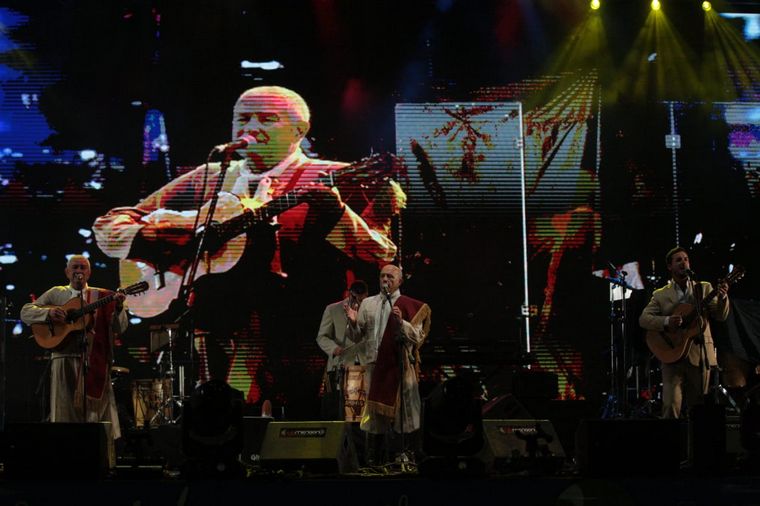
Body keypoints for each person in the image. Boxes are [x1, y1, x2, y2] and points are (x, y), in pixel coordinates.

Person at [92, 86, 405, 415]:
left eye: (266, 119)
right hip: (216, 330)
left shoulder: (337, 176)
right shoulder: (209, 177)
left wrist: (339, 214)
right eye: (242, 119)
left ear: (299, 130)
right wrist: (172, 242)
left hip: (301, 334)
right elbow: (110, 225)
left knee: (299, 420)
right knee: (218, 415)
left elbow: (382, 256)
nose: (251, 128)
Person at [20, 255, 128, 441]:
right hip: (63, 359)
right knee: (64, 412)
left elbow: (121, 328)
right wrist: (48, 313)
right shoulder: (56, 293)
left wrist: (118, 307)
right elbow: (25, 312)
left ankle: (95, 451)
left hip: (93, 361)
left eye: (83, 267)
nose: (79, 271)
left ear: (89, 273)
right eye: (75, 267)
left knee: (94, 414)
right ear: (67, 272)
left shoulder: (102, 296)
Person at [346, 264, 431, 465]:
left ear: (400, 281)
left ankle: (406, 456)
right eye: (383, 276)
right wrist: (352, 322)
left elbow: (418, 337)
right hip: (374, 366)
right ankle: (375, 461)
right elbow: (356, 337)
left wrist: (402, 322)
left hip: (400, 366)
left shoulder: (408, 305)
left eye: (390, 277)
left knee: (405, 412)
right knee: (374, 416)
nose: (385, 280)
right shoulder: (368, 304)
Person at [639, 247, 730, 419]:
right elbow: (643, 319)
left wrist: (723, 298)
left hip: (699, 354)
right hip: (671, 354)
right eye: (678, 260)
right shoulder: (660, 294)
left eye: (686, 259)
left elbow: (720, 315)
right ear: (670, 266)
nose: (684, 262)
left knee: (698, 407)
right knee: (670, 405)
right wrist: (667, 321)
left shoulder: (704, 288)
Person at [316, 279, 369, 420]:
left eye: (362, 299)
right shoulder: (333, 309)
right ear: (350, 294)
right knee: (338, 409)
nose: (358, 302)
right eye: (355, 298)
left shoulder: (370, 310)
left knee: (362, 412)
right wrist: (333, 348)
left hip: (364, 364)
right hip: (342, 365)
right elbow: (322, 336)